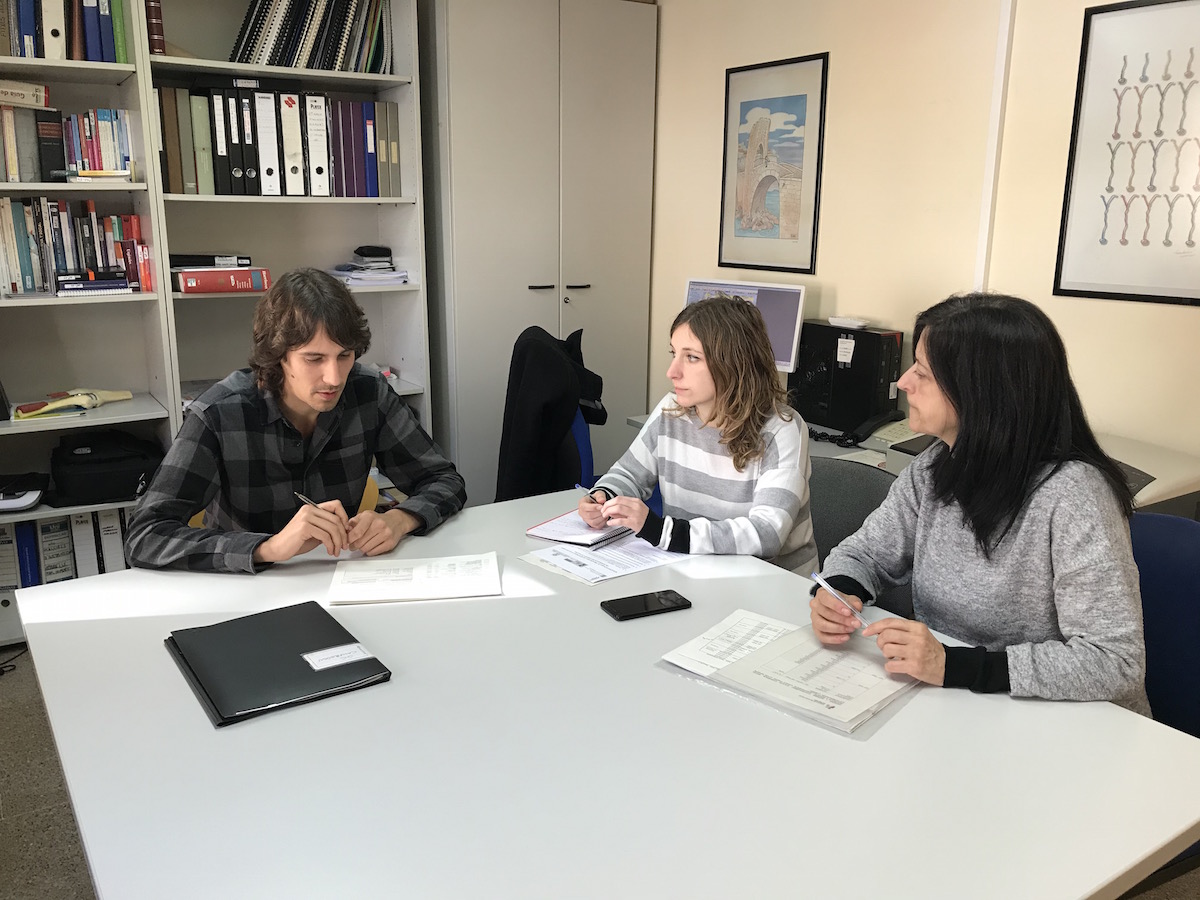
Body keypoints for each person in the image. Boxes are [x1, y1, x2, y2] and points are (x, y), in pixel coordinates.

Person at [810, 292, 1149, 714]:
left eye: (923, 373)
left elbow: (1115, 662)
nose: (903, 382)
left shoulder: (1074, 495)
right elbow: (864, 553)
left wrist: (956, 666)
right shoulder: (933, 467)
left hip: (1061, 722)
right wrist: (839, 591)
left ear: (982, 393)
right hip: (958, 703)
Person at [125, 268, 466, 573]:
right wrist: (268, 547)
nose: (334, 378)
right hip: (248, 589)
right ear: (278, 357)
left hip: (339, 575)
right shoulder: (219, 413)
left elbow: (443, 479)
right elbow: (144, 536)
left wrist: (400, 519)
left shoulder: (368, 392)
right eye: (314, 359)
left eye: (344, 356)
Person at [579, 295, 817, 574]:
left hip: (772, 585)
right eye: (674, 354)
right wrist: (603, 497)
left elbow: (767, 534)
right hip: (692, 571)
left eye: (692, 357)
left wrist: (663, 531)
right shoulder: (671, 410)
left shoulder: (782, 429)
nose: (672, 372)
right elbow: (629, 474)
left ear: (734, 363)